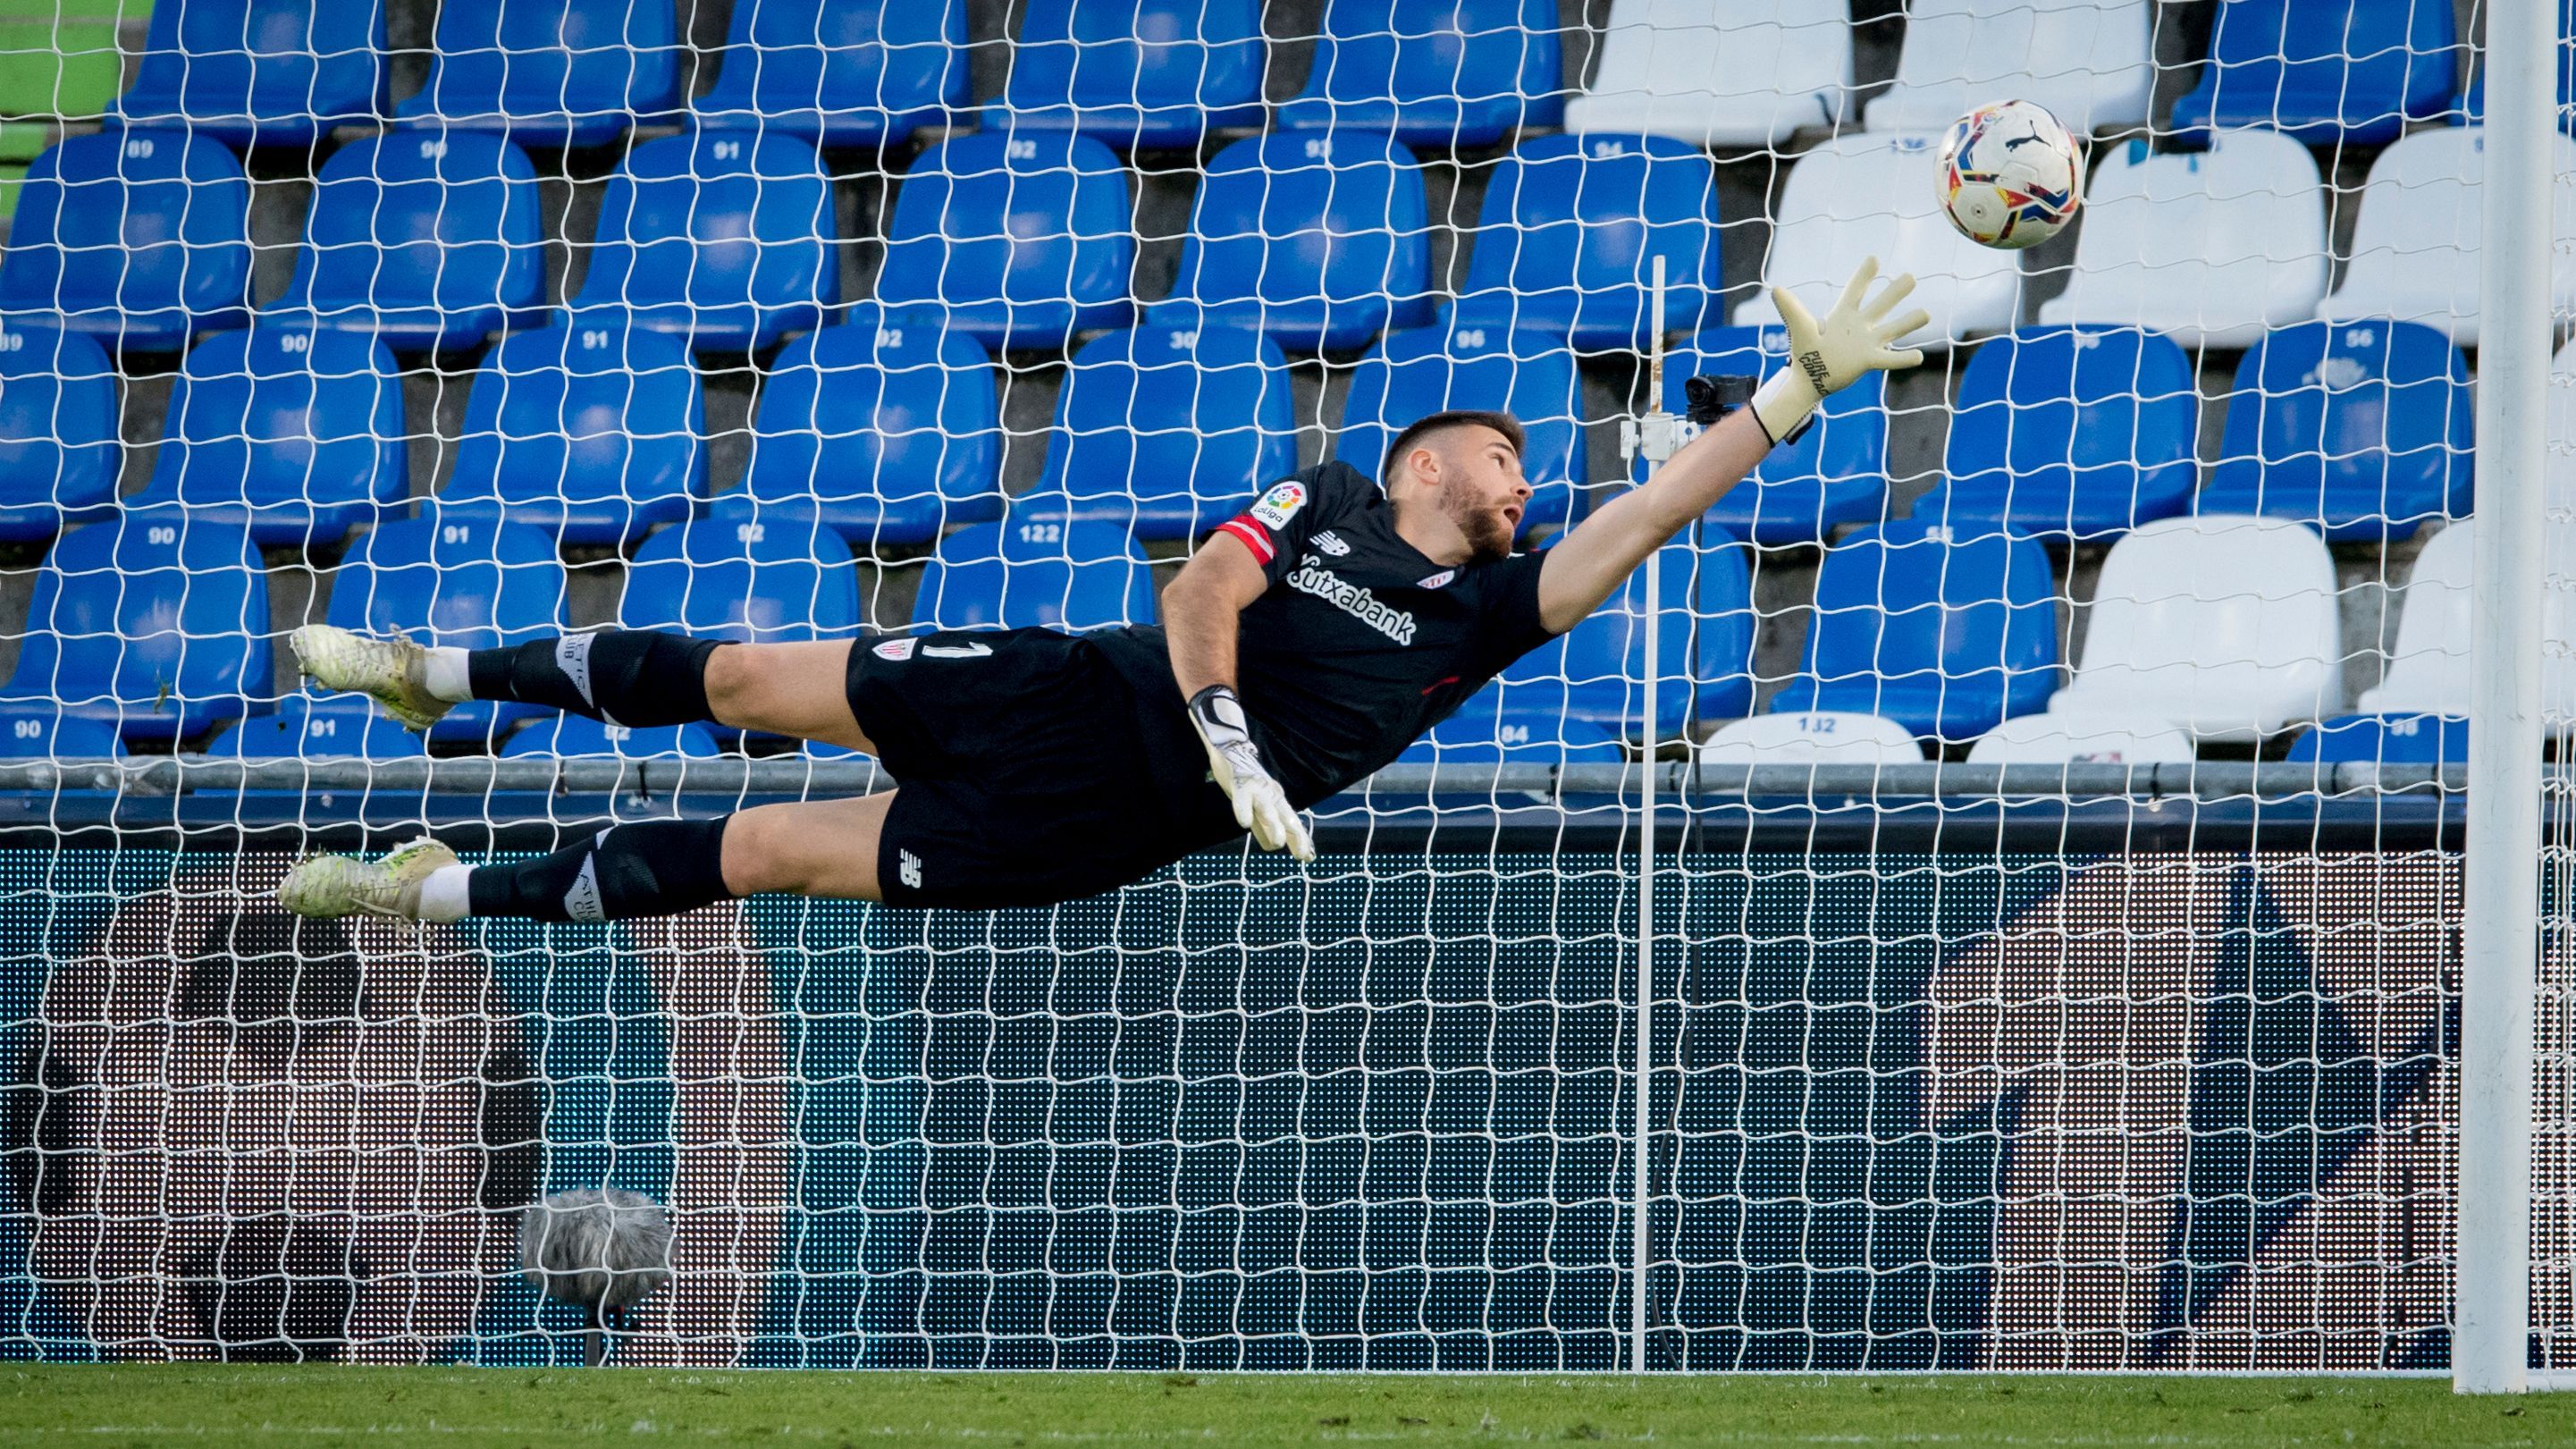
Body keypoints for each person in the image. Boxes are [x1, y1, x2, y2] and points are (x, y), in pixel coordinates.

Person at [278, 259, 1929, 924]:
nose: (1526, 483)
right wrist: (1229, 734)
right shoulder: (1338, 493)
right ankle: (440, 669)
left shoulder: (1492, 616)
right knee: (737, 686)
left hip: (1096, 826)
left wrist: (1794, 398)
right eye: (1504, 459)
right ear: (1432, 461)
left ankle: (420, 889)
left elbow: (1646, 515)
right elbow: (1205, 581)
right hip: (1076, 690)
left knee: (771, 849)